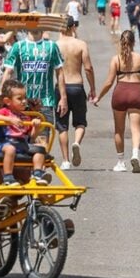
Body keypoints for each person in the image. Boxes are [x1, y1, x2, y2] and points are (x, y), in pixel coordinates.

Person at [93, 30, 140, 173]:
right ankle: (135, 155)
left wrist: (99, 96)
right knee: (136, 129)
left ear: (121, 43)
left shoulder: (116, 59)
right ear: (134, 42)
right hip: (136, 93)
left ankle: (120, 162)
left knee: (119, 130)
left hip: (120, 93)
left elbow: (109, 82)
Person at [1, 23, 67, 133]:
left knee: (42, 140)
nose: (35, 26)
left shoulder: (51, 46)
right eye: (33, 23)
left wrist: (63, 98)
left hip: (45, 101)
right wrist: (2, 97)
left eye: (38, 23)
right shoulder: (18, 46)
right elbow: (8, 72)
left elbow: (60, 72)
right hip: (22, 103)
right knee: (22, 137)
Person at [55, 16, 96, 170]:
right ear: (73, 27)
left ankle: (65, 160)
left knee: (62, 125)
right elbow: (88, 68)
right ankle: (77, 142)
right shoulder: (80, 44)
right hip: (77, 86)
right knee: (80, 122)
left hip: (60, 88)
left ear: (60, 28)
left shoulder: (55, 46)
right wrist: (92, 89)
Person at [0, 80, 50, 186]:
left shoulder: (25, 116)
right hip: (4, 143)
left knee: (40, 148)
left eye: (25, 98)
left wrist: (36, 127)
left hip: (22, 144)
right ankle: (8, 177)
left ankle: (37, 174)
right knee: (10, 149)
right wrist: (9, 119)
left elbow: (31, 137)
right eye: (19, 99)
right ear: (8, 101)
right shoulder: (5, 111)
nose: (24, 101)